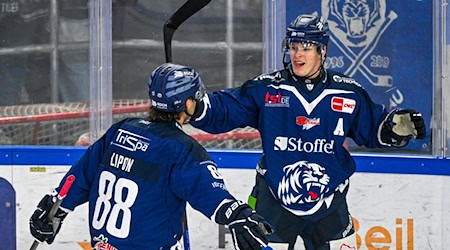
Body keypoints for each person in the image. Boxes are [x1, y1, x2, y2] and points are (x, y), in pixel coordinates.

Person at [190, 14, 426, 250]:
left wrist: (394, 128)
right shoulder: (267, 88)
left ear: (323, 51)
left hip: (329, 202)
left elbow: (373, 129)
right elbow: (225, 110)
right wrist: (195, 106)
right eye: (293, 47)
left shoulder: (347, 92)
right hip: (274, 198)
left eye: (306, 47)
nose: (297, 55)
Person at [29, 63, 273, 250]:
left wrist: (57, 207)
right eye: (195, 97)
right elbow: (210, 194)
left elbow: (82, 175)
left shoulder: (122, 129)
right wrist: (238, 215)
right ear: (187, 103)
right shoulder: (181, 149)